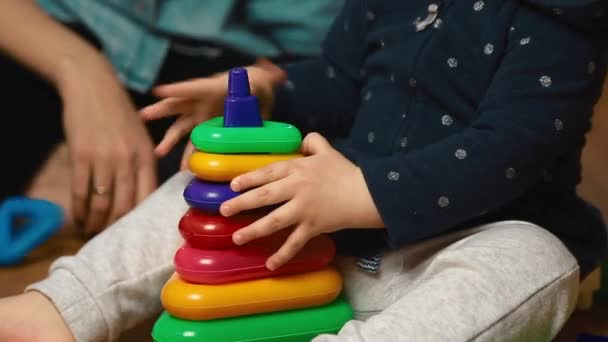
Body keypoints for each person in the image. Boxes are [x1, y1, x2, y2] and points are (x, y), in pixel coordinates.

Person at [1, 0, 608, 341]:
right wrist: (266, 103)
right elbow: (336, 84)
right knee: (206, 185)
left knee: (537, 258)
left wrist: (363, 191)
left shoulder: (558, 25)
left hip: (456, 248)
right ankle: (62, 308)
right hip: (319, 241)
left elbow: (507, 152)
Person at [0, 0, 340, 234]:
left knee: (278, 164)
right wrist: (80, 70)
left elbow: (322, 63)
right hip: (41, 34)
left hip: (219, 69)